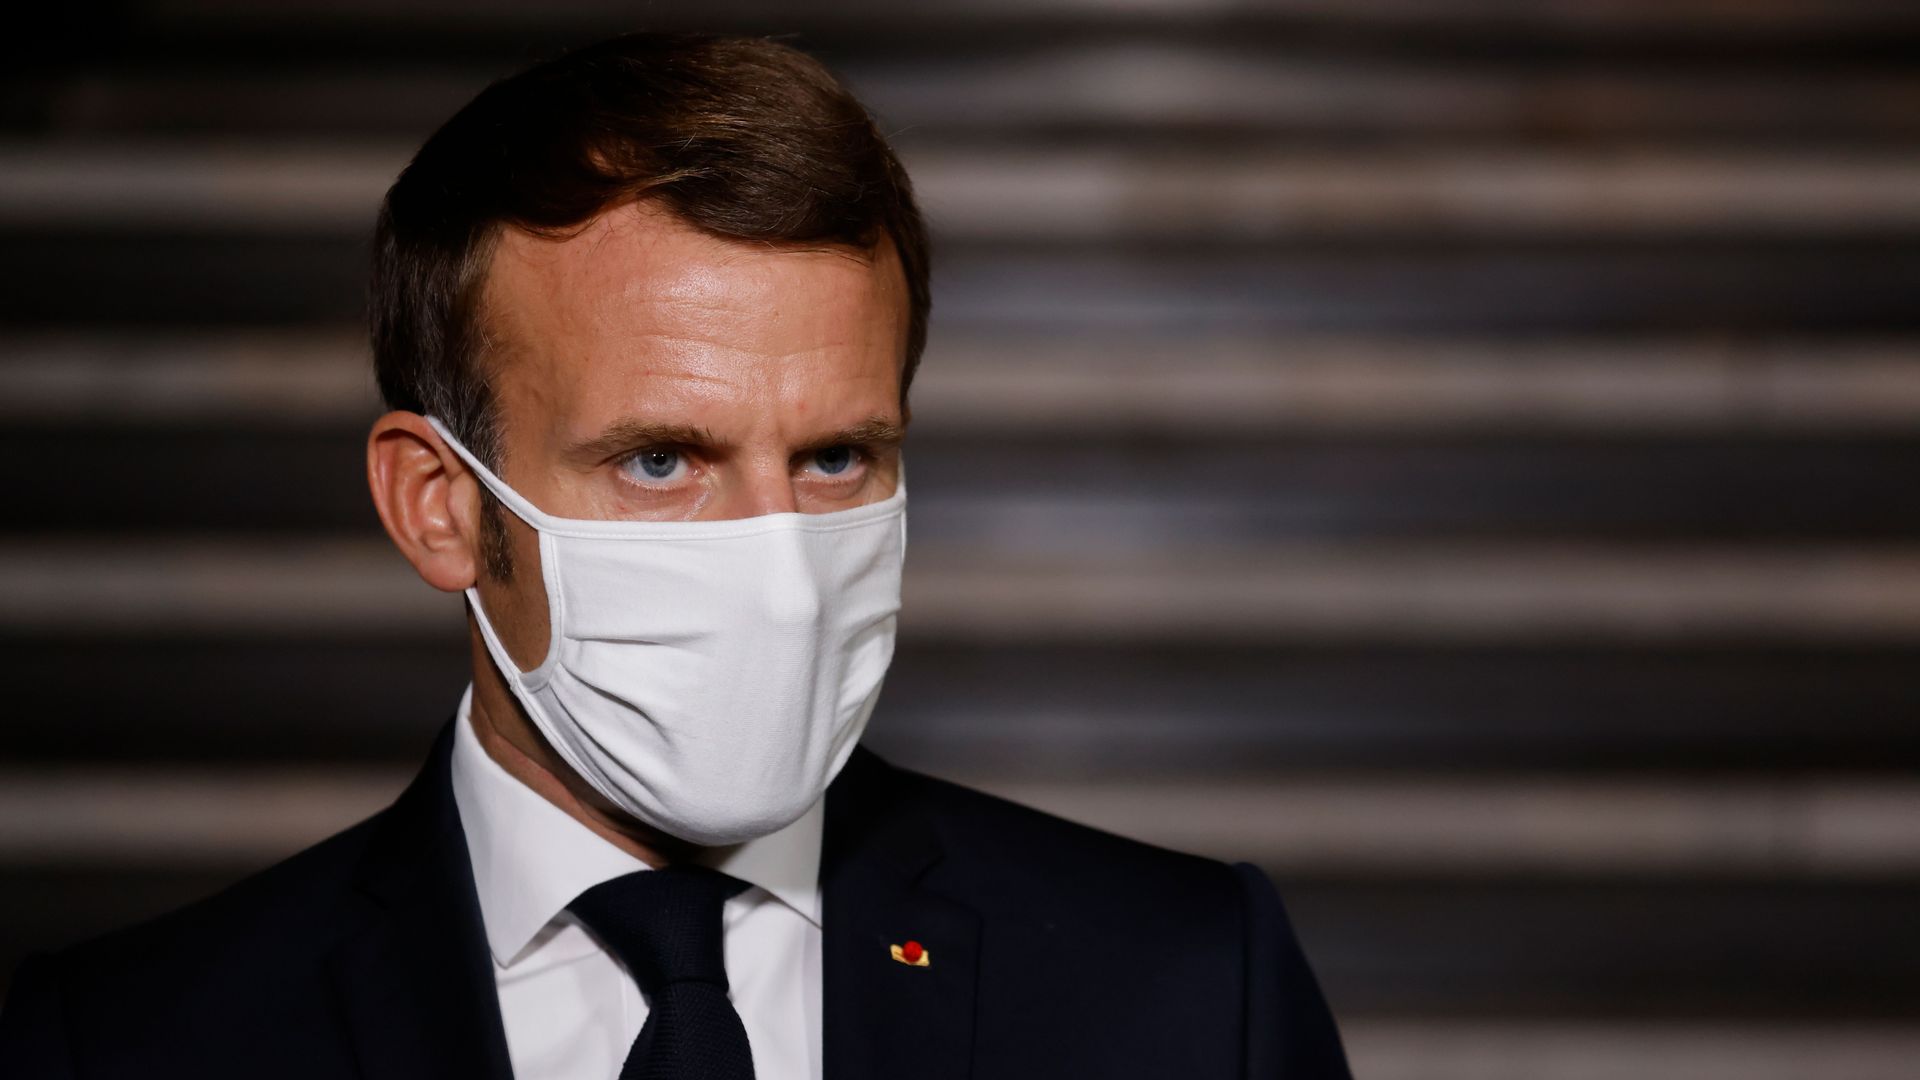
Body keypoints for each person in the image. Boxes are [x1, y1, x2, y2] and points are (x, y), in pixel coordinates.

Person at [0, 32, 1349, 1080]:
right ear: (438, 506)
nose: (783, 571)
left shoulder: (1186, 991)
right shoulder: (123, 1046)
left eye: (836, 456)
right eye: (660, 460)